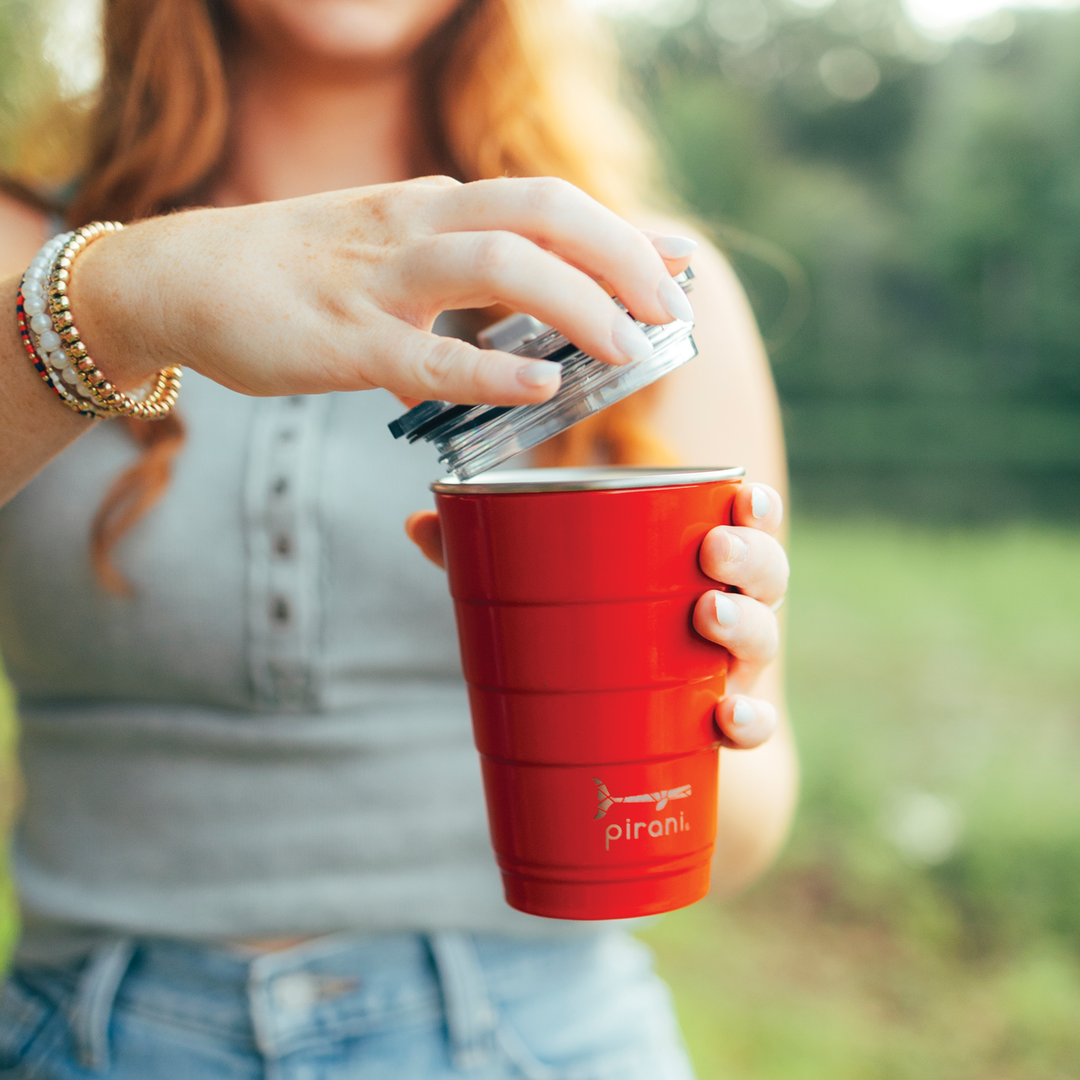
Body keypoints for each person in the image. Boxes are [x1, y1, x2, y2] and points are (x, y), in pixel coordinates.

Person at [0, 0, 796, 1076]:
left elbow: (737, 833)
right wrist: (123, 301)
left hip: (540, 1038)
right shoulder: (25, 254)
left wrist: (704, 706)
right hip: (84, 1037)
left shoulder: (645, 288)